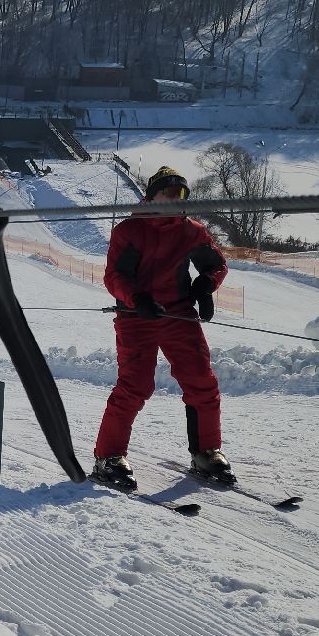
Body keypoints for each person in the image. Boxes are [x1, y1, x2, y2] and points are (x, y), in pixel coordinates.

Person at [91, 166, 232, 491]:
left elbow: (216, 264)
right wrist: (136, 298)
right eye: (168, 192)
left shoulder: (191, 231)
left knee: (202, 382)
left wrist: (206, 283)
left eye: (181, 193)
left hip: (178, 315)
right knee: (135, 386)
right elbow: (114, 277)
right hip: (137, 317)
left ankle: (206, 452)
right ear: (152, 195)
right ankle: (108, 458)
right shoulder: (130, 231)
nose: (174, 199)